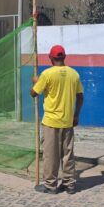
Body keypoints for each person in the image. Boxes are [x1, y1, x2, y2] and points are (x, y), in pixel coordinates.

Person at [30, 45, 84, 194]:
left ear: (51, 58)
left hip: (51, 122)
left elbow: (33, 93)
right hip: (67, 121)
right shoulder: (74, 74)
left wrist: (36, 81)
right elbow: (80, 96)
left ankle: (50, 185)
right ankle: (69, 184)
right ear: (64, 57)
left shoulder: (47, 74)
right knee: (67, 154)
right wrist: (76, 115)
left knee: (51, 155)